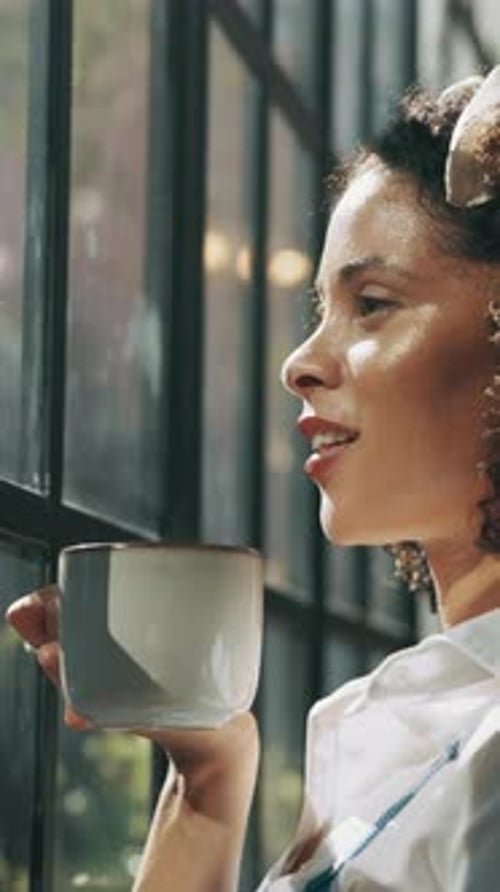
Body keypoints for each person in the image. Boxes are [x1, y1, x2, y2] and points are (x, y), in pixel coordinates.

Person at [6, 67, 500, 891]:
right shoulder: (402, 722)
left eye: (372, 303)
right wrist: (206, 776)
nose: (299, 364)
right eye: (318, 313)